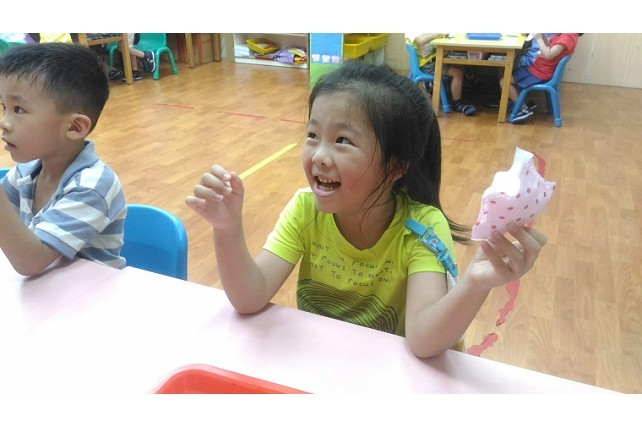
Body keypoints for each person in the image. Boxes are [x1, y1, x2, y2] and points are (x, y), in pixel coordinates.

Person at [185, 61, 547, 358]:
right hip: (319, 364)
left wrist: (475, 283)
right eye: (312, 135)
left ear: (395, 167)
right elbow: (249, 297)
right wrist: (227, 229)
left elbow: (422, 341)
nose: (319, 155)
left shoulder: (421, 226)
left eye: (342, 140)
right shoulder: (305, 210)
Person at [0, 42, 127, 276]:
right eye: (3, 107)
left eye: (18, 109)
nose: (4, 122)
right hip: (45, 290)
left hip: (92, 293)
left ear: (74, 127)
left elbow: (31, 262)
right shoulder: (26, 171)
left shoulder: (93, 185)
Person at [507, 33, 581, 123]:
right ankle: (526, 103)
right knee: (510, 73)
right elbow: (548, 43)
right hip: (539, 69)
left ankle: (524, 109)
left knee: (505, 81)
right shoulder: (565, 34)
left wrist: (538, 39)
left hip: (540, 72)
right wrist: (542, 35)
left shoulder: (568, 37)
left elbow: (548, 55)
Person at [406, 33, 477, 116]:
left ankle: (446, 92)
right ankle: (457, 103)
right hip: (427, 65)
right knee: (457, 73)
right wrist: (437, 33)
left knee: (458, 65)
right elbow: (421, 40)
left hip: (432, 60)